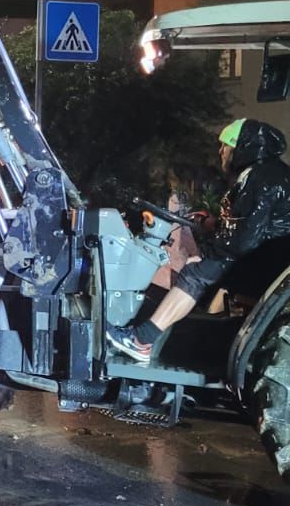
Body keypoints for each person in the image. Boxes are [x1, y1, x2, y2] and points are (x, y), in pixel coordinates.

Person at [109, 119, 290, 362]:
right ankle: (172, 337)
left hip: (269, 261)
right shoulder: (270, 173)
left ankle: (142, 339)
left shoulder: (259, 177)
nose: (221, 153)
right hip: (273, 258)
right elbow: (245, 230)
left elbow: (244, 239)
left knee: (195, 273)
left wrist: (206, 253)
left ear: (242, 147)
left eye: (225, 147)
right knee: (199, 269)